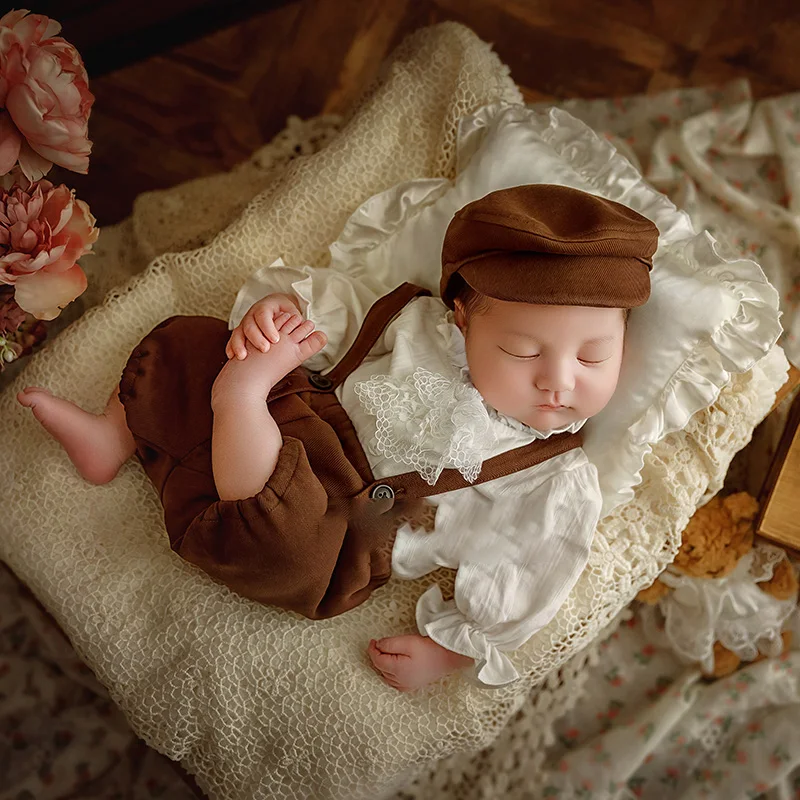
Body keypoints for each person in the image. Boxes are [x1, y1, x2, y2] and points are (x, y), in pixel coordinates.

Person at [17, 185, 658, 690]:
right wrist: (273, 321)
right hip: (296, 418)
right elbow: (330, 313)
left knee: (291, 545)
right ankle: (115, 435)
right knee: (191, 339)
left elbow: (531, 581)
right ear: (461, 322)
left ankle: (235, 400)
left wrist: (448, 653)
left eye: (595, 358)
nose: (557, 380)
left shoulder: (551, 477)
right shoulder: (415, 324)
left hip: (338, 530)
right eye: (521, 350)